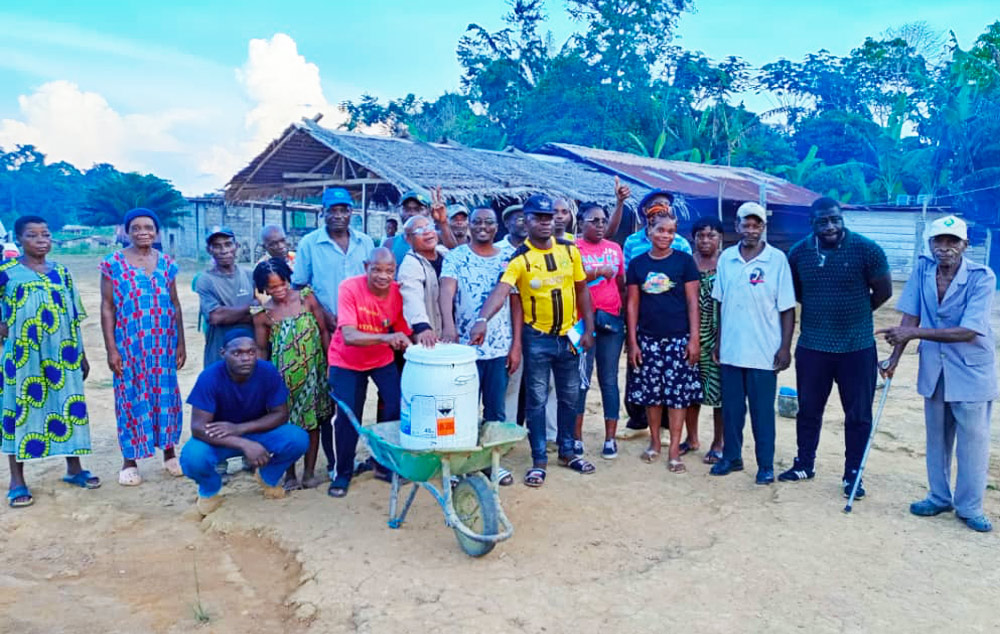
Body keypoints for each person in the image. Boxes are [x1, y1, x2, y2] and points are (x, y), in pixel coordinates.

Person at [878, 215, 996, 533]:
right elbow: (910, 316)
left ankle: (970, 507)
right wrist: (894, 357)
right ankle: (939, 496)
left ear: (964, 245)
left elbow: (970, 330)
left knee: (972, 442)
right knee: (937, 439)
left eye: (952, 242)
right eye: (938, 242)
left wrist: (914, 334)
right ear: (930, 245)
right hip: (935, 368)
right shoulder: (923, 270)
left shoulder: (982, 277)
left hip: (971, 371)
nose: (945, 248)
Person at [471, 195, 597, 487]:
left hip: (569, 337)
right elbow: (502, 291)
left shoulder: (570, 251)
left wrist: (588, 329)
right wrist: (482, 319)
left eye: (548, 217)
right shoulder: (519, 259)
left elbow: (582, 291)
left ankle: (568, 451)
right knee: (537, 400)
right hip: (536, 338)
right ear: (524, 221)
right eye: (537, 217)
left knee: (570, 396)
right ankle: (539, 460)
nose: (544, 222)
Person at [779, 197, 892, 496]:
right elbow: (799, 292)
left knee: (858, 415)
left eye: (835, 219)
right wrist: (824, 310)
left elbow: (884, 291)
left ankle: (852, 475)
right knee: (809, 410)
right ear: (812, 223)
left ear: (842, 219)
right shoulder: (799, 253)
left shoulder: (868, 250)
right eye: (822, 221)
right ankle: (804, 463)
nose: (830, 226)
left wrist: (855, 312)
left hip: (857, 347)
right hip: (814, 346)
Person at [2, 215, 98, 508]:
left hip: (63, 352)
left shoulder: (62, 273)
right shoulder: (6, 271)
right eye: (33, 235)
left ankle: (74, 468)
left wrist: (81, 353)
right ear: (19, 240)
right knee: (18, 409)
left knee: (67, 405)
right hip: (21, 354)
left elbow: (72, 314)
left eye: (46, 234)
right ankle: (17, 480)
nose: (42, 239)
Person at [709, 202, 795, 485]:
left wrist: (784, 347)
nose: (750, 229)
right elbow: (719, 304)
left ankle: (765, 465)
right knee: (732, 411)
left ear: (763, 228)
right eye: (745, 224)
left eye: (756, 225)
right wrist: (719, 343)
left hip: (764, 352)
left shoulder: (777, 260)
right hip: (732, 350)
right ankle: (732, 457)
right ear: (737, 227)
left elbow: (786, 309)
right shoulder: (726, 259)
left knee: (762, 413)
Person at [180, 329, 309, 516]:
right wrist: (243, 443)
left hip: (256, 432)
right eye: (237, 353)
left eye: (251, 352)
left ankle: (268, 477)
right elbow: (198, 428)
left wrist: (241, 429)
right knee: (193, 457)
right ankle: (210, 490)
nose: (246, 358)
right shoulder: (210, 377)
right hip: (221, 439)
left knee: (298, 438)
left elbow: (281, 414)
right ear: (223, 353)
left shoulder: (267, 371)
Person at [100, 208, 186, 487]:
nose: (142, 232)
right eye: (135, 228)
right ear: (126, 231)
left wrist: (180, 342)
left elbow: (174, 304)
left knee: (166, 397)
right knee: (130, 398)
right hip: (130, 344)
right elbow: (108, 308)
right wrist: (112, 349)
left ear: (156, 231)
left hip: (163, 344)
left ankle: (170, 453)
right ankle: (130, 461)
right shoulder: (113, 263)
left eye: (148, 227)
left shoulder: (166, 264)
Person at [440, 207, 517, 486]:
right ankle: (460, 466)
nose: (483, 226)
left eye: (489, 222)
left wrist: (516, 344)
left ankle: (491, 464)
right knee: (462, 408)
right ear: (469, 226)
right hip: (463, 350)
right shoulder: (457, 256)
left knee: (495, 411)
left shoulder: (508, 258)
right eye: (477, 222)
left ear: (497, 227)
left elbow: (515, 303)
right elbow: (447, 290)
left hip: (498, 348)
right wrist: (448, 325)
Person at [327, 248, 412, 498]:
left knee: (396, 407)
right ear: (366, 266)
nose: (383, 276)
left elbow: (404, 330)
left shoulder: (398, 292)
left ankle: (383, 464)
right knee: (348, 417)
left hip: (381, 359)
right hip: (346, 360)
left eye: (389, 270)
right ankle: (343, 472)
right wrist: (387, 337)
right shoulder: (349, 288)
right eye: (377, 269)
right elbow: (350, 336)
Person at [625, 214, 701, 473]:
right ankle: (655, 442)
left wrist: (694, 339)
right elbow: (632, 304)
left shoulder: (684, 262)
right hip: (648, 340)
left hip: (678, 340)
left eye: (670, 231)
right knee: (652, 396)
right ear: (649, 231)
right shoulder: (637, 264)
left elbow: (693, 303)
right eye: (660, 230)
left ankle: (674, 450)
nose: (665, 236)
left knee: (677, 397)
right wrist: (633, 341)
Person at [617, 189, 693, 437]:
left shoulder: (679, 244)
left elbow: (686, 287)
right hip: (643, 315)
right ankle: (638, 420)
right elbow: (629, 283)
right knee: (639, 370)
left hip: (672, 319)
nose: (662, 208)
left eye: (666, 205)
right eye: (656, 204)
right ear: (645, 213)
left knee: (673, 376)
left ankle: (667, 427)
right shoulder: (632, 243)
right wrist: (632, 330)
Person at [252, 258, 332, 490]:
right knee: (286, 426)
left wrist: (329, 364)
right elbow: (262, 349)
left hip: (313, 374)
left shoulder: (306, 297)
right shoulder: (263, 314)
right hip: (282, 380)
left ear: (289, 279)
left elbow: (324, 330)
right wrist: (262, 381)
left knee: (312, 423)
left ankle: (308, 473)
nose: (279, 290)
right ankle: (290, 475)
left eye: (282, 284)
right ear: (264, 289)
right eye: (272, 287)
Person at [574, 202, 626, 459]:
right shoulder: (573, 248)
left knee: (609, 379)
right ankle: (575, 438)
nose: (599, 225)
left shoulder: (615, 248)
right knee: (581, 380)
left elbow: (621, 284)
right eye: (593, 220)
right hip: (582, 322)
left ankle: (610, 439)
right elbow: (570, 280)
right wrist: (596, 270)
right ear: (580, 222)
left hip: (611, 319)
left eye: (603, 221)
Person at [292, 187, 375, 334]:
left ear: (351, 213)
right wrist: (322, 313)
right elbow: (299, 286)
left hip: (364, 323)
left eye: (344, 210)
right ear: (323, 212)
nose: (338, 216)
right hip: (326, 325)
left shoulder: (365, 242)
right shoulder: (309, 243)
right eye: (333, 210)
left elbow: (374, 282)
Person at [682, 217, 725, 464]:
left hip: (720, 336)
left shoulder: (728, 264)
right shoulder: (687, 263)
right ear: (693, 238)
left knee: (720, 393)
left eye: (711, 235)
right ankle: (692, 438)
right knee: (690, 391)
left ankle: (719, 442)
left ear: (721, 238)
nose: (705, 240)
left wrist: (721, 340)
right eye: (700, 235)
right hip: (690, 335)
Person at [196, 226, 254, 368]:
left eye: (228, 244)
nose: (224, 251)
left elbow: (264, 313)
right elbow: (216, 317)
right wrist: (250, 308)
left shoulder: (250, 275)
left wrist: (228, 314)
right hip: (219, 355)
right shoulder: (205, 280)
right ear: (209, 250)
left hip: (249, 355)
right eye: (217, 246)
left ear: (236, 246)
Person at [398, 215, 449, 346]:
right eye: (419, 230)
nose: (427, 232)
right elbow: (411, 296)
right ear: (408, 239)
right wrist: (422, 327)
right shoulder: (410, 265)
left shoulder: (445, 253)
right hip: (432, 337)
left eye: (429, 227)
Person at [383, 188, 458, 265]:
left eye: (418, 209)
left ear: (428, 211)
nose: (411, 213)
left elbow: (456, 255)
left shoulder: (435, 238)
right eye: (407, 209)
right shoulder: (390, 244)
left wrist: (442, 222)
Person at [255, 225, 296, 304]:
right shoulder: (262, 268)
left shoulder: (297, 258)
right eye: (273, 244)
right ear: (264, 247)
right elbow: (265, 300)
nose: (281, 246)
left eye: (283, 240)